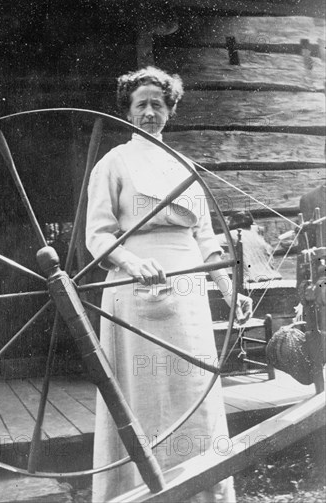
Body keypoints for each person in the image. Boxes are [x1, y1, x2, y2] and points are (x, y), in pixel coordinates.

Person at [86, 66, 252, 502]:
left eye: (157, 104)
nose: (148, 112)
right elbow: (98, 235)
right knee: (143, 391)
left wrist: (229, 290)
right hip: (134, 291)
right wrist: (133, 261)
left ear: (169, 111)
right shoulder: (113, 163)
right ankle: (138, 491)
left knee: (192, 387)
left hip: (188, 296)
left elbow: (205, 240)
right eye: (140, 104)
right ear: (128, 109)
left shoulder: (186, 168)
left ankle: (201, 493)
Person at [217, 211, 282, 284]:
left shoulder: (234, 234)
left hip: (252, 277)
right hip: (272, 275)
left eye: (228, 220)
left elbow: (212, 240)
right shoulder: (255, 232)